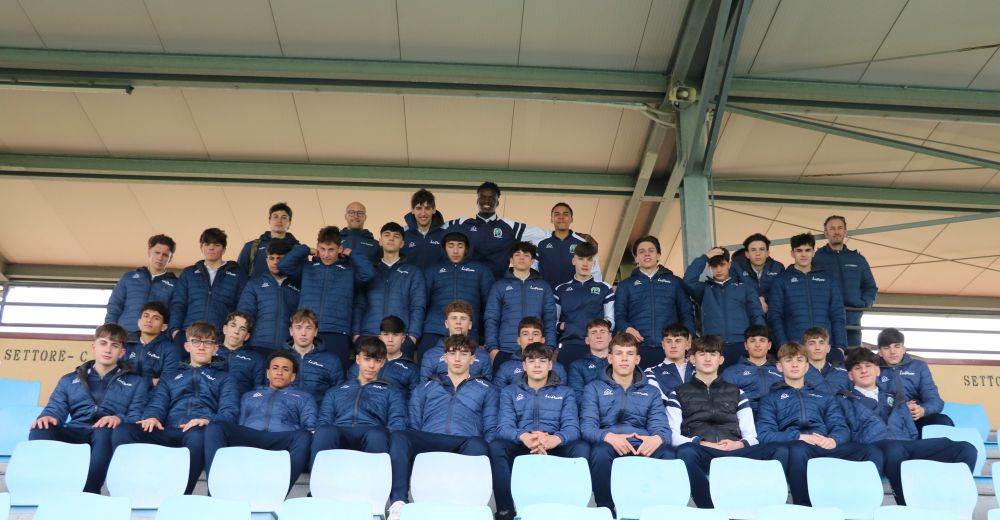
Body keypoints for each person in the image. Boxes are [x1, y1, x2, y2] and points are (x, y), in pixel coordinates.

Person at [112, 321, 240, 494]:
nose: (201, 347)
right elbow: (157, 403)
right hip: (167, 429)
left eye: (208, 343)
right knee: (124, 431)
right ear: (187, 346)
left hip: (198, 430)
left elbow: (230, 412)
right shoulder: (170, 376)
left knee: (197, 435)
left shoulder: (226, 378)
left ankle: (180, 495)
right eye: (196, 341)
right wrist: (152, 417)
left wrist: (207, 420)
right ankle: (125, 491)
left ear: (215, 348)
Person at [839, 347, 976, 505]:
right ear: (850, 375)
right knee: (893, 449)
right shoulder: (843, 401)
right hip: (874, 447)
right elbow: (845, 431)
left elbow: (911, 430)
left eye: (868, 366)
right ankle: (907, 506)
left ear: (877, 370)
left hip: (906, 445)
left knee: (965, 448)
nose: (864, 370)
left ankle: (951, 502)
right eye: (857, 368)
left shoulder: (896, 397)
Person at [666, 335, 788, 509]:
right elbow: (672, 436)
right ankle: (709, 508)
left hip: (734, 450)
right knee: (685, 452)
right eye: (702, 354)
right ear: (692, 359)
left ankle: (763, 506)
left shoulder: (737, 392)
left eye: (713, 354)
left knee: (779, 449)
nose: (708, 359)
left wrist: (738, 444)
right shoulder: (677, 393)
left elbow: (752, 436)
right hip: (703, 451)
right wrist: (703, 443)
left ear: (721, 359)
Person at [755, 341, 882, 506]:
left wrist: (833, 440)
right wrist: (799, 437)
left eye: (800, 360)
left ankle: (864, 505)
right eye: (788, 360)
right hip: (797, 447)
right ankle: (804, 507)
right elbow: (765, 434)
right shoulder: (770, 399)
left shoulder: (824, 397)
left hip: (825, 445)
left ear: (807, 366)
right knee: (798, 449)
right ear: (779, 366)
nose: (795, 365)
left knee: (871, 451)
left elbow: (840, 426)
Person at [386, 335, 499, 520]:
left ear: (472, 359)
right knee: (400, 436)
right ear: (444, 357)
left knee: (479, 445)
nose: (457, 358)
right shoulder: (425, 387)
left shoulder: (487, 388)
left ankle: (468, 506)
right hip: (430, 439)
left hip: (464, 441)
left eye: (464, 354)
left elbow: (491, 427)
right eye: (452, 353)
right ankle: (398, 502)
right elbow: (414, 423)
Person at [30, 324, 148, 494]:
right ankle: (43, 489)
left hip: (105, 433)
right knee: (41, 428)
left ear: (122, 352)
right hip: (75, 429)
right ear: (94, 347)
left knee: (105, 430)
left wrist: (118, 418)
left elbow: (137, 415)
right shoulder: (69, 379)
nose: (108, 349)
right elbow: (56, 407)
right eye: (103, 343)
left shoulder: (136, 382)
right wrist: (48, 415)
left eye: (114, 345)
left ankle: (90, 491)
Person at [489, 342, 589, 520]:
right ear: (524, 365)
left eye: (542, 361)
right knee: (497, 447)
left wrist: (554, 439)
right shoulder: (509, 391)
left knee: (581, 448)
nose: (537, 365)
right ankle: (505, 511)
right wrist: (524, 436)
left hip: (554, 444)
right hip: (522, 444)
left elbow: (572, 427)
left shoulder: (565, 392)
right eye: (531, 361)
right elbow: (503, 427)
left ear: (550, 365)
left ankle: (573, 509)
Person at [580, 332, 675, 514]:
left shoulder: (651, 391)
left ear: (637, 359)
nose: (624, 359)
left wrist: (656, 439)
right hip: (609, 444)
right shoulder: (593, 388)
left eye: (630, 354)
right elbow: (587, 427)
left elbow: (662, 428)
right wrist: (609, 436)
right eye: (619, 353)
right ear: (610, 358)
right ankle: (606, 511)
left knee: (668, 454)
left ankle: (658, 512)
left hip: (642, 443)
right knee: (599, 452)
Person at [204, 350, 316, 492]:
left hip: (281, 439)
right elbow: (240, 423)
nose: (279, 372)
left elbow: (310, 426)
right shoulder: (249, 396)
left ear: (293, 376)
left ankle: (278, 493)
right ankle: (214, 491)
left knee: (304, 435)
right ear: (267, 373)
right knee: (215, 427)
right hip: (250, 437)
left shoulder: (304, 397)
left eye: (285, 369)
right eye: (275, 368)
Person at [278, 225, 375, 367]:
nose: (326, 254)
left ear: (339, 248)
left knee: (336, 372)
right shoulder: (307, 267)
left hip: (338, 331)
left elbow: (369, 273)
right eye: (322, 249)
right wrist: (306, 249)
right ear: (317, 246)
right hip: (308, 329)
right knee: (306, 372)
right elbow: (283, 265)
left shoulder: (349, 271)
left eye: (331, 250)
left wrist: (351, 253)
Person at [313, 337, 408, 466]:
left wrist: (385, 434)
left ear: (383, 363)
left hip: (372, 432)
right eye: (367, 359)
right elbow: (324, 420)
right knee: (325, 432)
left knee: (377, 435)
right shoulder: (336, 391)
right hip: (340, 432)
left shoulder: (392, 392)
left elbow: (397, 423)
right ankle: (320, 478)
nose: (371, 365)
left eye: (377, 360)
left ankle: (375, 478)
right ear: (358, 359)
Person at [614, 236, 695, 369]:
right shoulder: (625, 285)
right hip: (638, 349)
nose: (647, 254)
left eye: (651, 250)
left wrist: (689, 334)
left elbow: (686, 312)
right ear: (636, 258)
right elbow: (619, 316)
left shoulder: (675, 282)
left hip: (671, 348)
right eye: (641, 251)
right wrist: (627, 328)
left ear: (658, 255)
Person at [767, 233, 848, 361]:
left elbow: (837, 314)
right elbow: (775, 316)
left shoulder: (828, 279)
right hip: (795, 349)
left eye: (807, 250)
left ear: (813, 253)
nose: (803, 254)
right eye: (799, 250)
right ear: (792, 253)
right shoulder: (781, 280)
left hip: (824, 347)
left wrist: (840, 346)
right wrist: (783, 345)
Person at [682, 247, 765, 371]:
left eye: (722, 264)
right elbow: (688, 280)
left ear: (729, 264)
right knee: (718, 382)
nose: (719, 269)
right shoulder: (705, 289)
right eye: (714, 266)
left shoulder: (745, 288)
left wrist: (758, 343)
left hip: (742, 345)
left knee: (745, 380)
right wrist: (705, 257)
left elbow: (757, 315)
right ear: (709, 267)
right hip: (713, 347)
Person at [353, 222, 426, 358]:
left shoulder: (413, 272)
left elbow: (418, 306)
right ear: (380, 241)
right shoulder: (369, 271)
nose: (391, 238)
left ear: (402, 243)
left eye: (396, 236)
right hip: (369, 335)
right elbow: (359, 305)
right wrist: (356, 334)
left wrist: (413, 336)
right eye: (387, 235)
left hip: (400, 337)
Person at [445, 181, 547, 279]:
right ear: (477, 201)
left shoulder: (509, 226)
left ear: (497, 202)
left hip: (498, 283)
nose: (487, 201)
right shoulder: (463, 223)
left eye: (491, 198)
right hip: (470, 282)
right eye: (483, 197)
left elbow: (543, 235)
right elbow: (438, 229)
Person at [169, 228, 248, 352]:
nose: (211, 248)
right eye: (207, 244)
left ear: (224, 249)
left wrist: (231, 334)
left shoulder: (238, 275)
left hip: (220, 338)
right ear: (201, 247)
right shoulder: (188, 273)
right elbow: (178, 304)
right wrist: (175, 330)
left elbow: (242, 309)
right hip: (188, 335)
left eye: (216, 244)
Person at [419, 230, 494, 358]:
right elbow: (421, 304)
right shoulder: (433, 271)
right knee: (428, 364)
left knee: (468, 367)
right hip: (434, 330)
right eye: (451, 245)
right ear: (444, 247)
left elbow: (490, 308)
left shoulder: (481, 271)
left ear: (467, 248)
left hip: (468, 331)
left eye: (460, 246)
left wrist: (484, 338)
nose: (455, 251)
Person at [484, 241, 557, 370]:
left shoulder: (544, 287)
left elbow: (550, 319)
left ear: (532, 260)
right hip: (505, 350)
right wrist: (493, 349)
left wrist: (550, 348)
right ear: (511, 259)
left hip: (537, 352)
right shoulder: (499, 286)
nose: (521, 258)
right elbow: (491, 319)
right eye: (517, 254)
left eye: (526, 255)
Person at [814, 215, 878, 347]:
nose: (836, 232)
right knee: (828, 356)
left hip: (852, 320)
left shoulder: (858, 259)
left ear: (845, 232)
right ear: (826, 233)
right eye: (832, 228)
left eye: (840, 228)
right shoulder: (816, 258)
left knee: (853, 357)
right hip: (826, 321)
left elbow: (870, 287)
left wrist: (863, 303)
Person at [876, 327, 952, 433]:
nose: (892, 351)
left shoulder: (919, 367)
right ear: (880, 352)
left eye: (897, 346)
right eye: (886, 348)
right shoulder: (872, 369)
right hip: (887, 420)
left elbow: (935, 401)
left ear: (904, 349)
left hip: (915, 418)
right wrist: (901, 409)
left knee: (942, 420)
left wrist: (922, 410)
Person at [553, 241, 614, 370]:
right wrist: (564, 326)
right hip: (569, 346)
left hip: (596, 348)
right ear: (574, 261)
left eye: (589, 259)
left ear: (594, 262)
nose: (585, 263)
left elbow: (612, 321)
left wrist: (600, 328)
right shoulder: (560, 289)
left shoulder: (605, 288)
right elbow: (552, 322)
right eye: (581, 259)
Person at [105, 234, 178, 337]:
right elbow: (115, 305)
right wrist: (110, 329)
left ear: (170, 258)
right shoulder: (129, 277)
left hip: (156, 338)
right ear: (149, 252)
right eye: (157, 253)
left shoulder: (176, 284)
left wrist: (169, 336)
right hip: (125, 335)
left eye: (165, 255)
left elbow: (175, 313)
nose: (160, 257)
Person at [237, 240, 300, 352]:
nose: (275, 262)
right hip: (257, 346)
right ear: (266, 260)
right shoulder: (254, 285)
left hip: (287, 349)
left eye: (279, 258)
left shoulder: (298, 286)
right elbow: (244, 316)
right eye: (271, 258)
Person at [347, 316, 421, 401]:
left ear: (403, 339)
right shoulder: (364, 362)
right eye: (386, 334)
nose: (390, 339)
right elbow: (349, 392)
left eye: (395, 335)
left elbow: (414, 401)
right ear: (380, 337)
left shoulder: (411, 369)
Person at [282, 309, 345, 406]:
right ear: (291, 331)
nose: (303, 333)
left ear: (315, 332)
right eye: (298, 327)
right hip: (284, 413)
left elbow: (338, 396)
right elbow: (269, 393)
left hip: (318, 413)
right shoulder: (278, 358)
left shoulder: (332, 361)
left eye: (309, 328)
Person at [419, 301, 493, 382]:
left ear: (470, 324)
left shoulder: (483, 356)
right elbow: (424, 387)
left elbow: (487, 387)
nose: (458, 322)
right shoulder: (430, 355)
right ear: (446, 323)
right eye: (454, 318)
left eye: (463, 318)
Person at [537, 202, 604, 289]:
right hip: (547, 294)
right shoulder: (541, 244)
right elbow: (533, 270)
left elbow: (595, 271)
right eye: (557, 214)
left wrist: (594, 292)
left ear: (571, 219)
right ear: (551, 219)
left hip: (574, 294)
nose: (561, 217)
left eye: (565, 214)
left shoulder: (583, 243)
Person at [721, 325, 782, 418]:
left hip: (775, 419)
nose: (757, 345)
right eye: (752, 341)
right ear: (746, 345)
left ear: (769, 345)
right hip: (743, 419)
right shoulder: (731, 373)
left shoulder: (781, 371)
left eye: (762, 340)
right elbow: (724, 405)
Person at [492, 317, 568, 388]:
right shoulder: (506, 368)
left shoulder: (557, 368)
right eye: (525, 334)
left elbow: (563, 394)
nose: (530, 338)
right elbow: (497, 394)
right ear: (518, 340)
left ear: (543, 340)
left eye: (535, 334)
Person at [236, 202, 299, 279]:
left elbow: (303, 277)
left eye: (284, 217)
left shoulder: (298, 249)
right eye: (275, 217)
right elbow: (239, 276)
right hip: (255, 286)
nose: (279, 220)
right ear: (269, 221)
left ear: (289, 223)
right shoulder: (251, 247)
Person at [125, 301, 180, 387]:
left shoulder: (171, 350)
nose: (149, 320)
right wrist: (151, 382)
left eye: (156, 318)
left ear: (164, 327)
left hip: (155, 394)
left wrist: (135, 383)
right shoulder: (126, 344)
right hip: (125, 391)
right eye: (146, 316)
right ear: (139, 322)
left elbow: (167, 382)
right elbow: (117, 375)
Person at [729, 233, 784, 314]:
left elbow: (781, 293)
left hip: (773, 314)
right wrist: (756, 301)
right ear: (747, 254)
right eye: (753, 250)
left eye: (762, 249)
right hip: (747, 315)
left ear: (767, 253)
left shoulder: (778, 268)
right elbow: (732, 293)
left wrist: (764, 298)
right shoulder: (736, 268)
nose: (758, 254)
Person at [215, 311, 266, 397]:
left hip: (240, 402)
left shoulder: (256, 359)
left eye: (242, 329)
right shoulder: (208, 351)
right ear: (225, 329)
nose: (236, 331)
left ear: (247, 336)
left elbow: (259, 391)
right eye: (233, 325)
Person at [644, 324, 695, 407]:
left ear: (687, 344)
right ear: (663, 345)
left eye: (678, 341)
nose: (673, 346)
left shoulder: (698, 370)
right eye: (668, 341)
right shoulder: (651, 372)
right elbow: (656, 403)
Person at [401, 188, 447, 272]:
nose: (423, 213)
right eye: (419, 208)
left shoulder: (446, 234)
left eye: (427, 208)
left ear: (434, 210)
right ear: (412, 210)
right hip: (412, 281)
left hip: (437, 281)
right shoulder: (402, 234)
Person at [567, 318, 612, 401]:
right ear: (587, 340)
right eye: (593, 332)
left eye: (602, 331)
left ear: (610, 337)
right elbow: (577, 397)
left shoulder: (620, 362)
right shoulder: (577, 366)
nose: (599, 336)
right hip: (590, 408)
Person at [802, 327, 851, 394]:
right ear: (804, 349)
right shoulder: (798, 372)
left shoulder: (844, 371)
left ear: (828, 348)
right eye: (812, 343)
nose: (817, 348)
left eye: (821, 343)